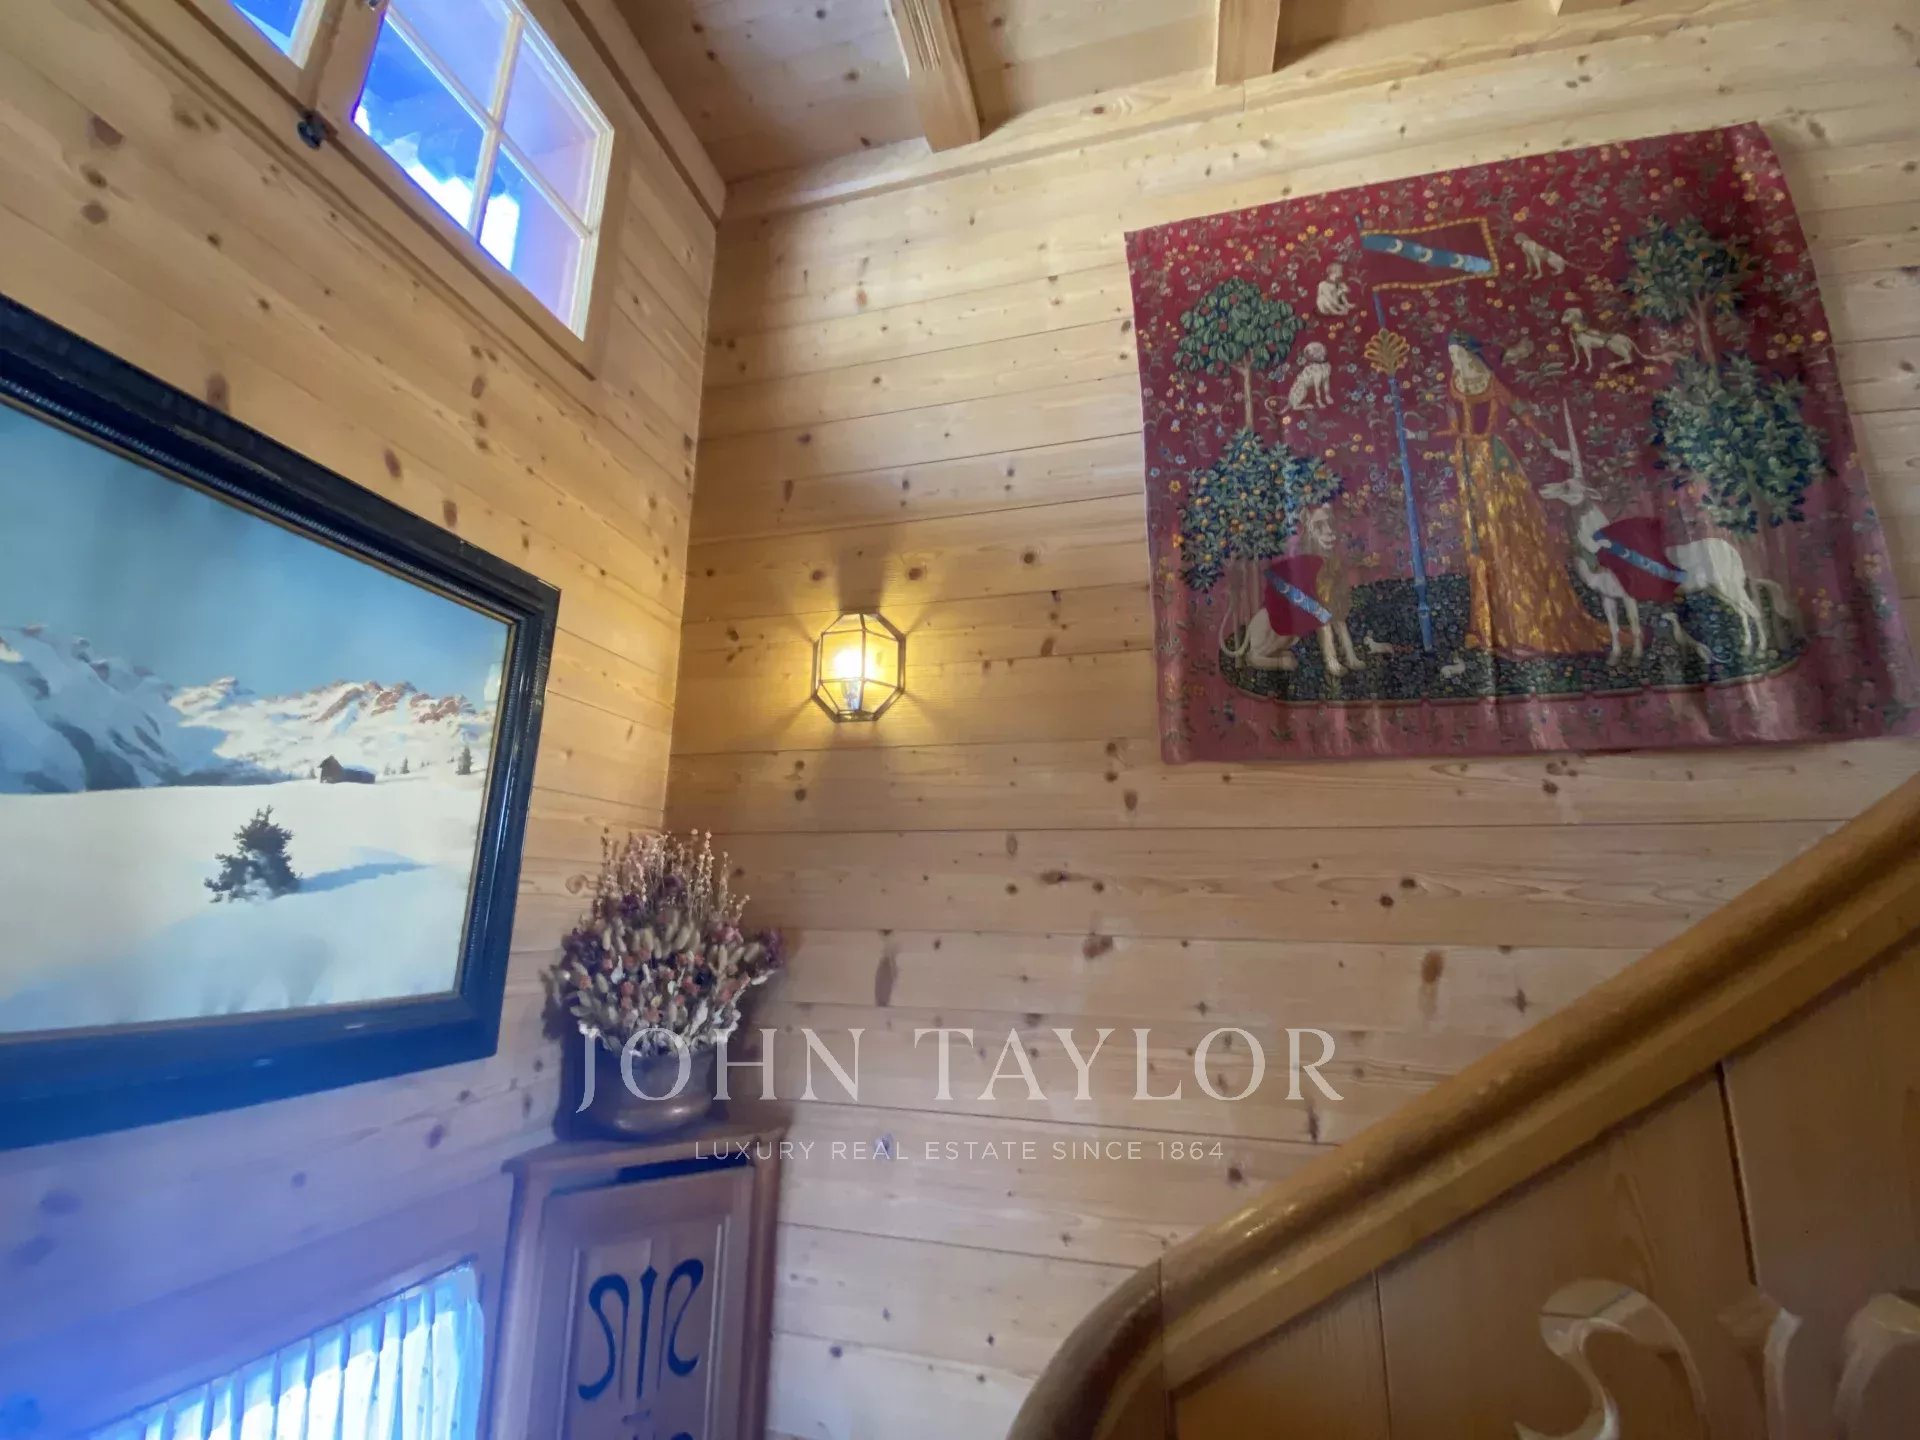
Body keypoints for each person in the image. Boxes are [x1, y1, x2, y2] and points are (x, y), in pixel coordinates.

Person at [1440, 335, 1611, 658]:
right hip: (1467, 464)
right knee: (1480, 539)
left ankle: (1527, 623)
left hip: (1495, 460)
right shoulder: (1454, 384)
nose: (1454, 362)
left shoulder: (1491, 383)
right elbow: (1453, 427)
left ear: (1470, 353)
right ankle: (1492, 627)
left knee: (1512, 535)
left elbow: (1521, 412)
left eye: (1457, 354)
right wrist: (1418, 434)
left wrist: (1550, 444)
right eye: (1450, 356)